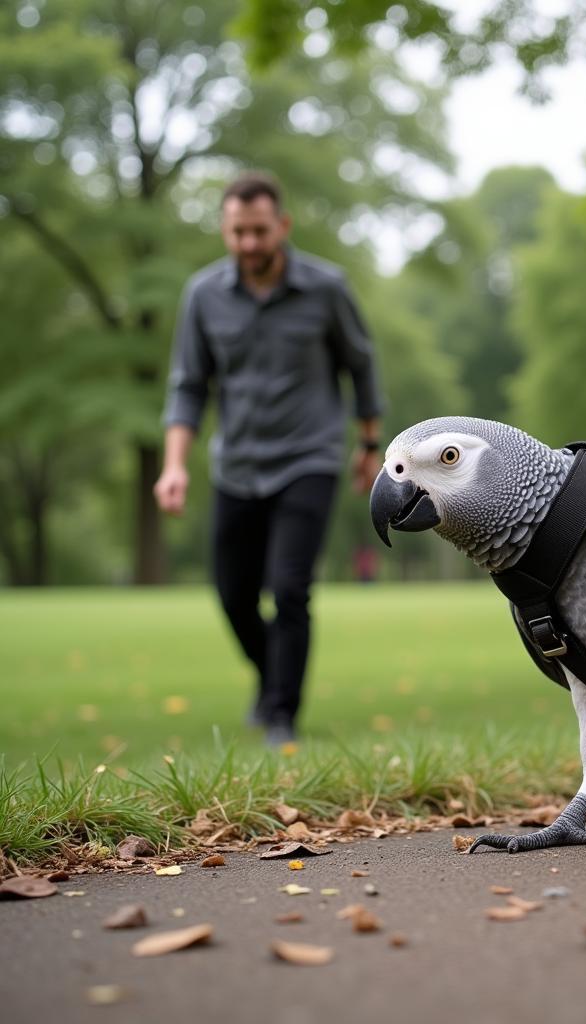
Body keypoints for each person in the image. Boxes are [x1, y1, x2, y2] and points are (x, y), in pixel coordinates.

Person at [154, 172, 384, 746]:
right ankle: (271, 674)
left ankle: (282, 716)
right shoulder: (203, 295)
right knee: (232, 594)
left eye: (259, 231)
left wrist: (369, 444)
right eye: (238, 232)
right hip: (235, 464)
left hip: (309, 456)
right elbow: (188, 385)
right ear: (224, 229)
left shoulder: (326, 288)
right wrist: (174, 464)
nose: (249, 244)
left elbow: (360, 363)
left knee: (288, 588)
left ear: (281, 226)